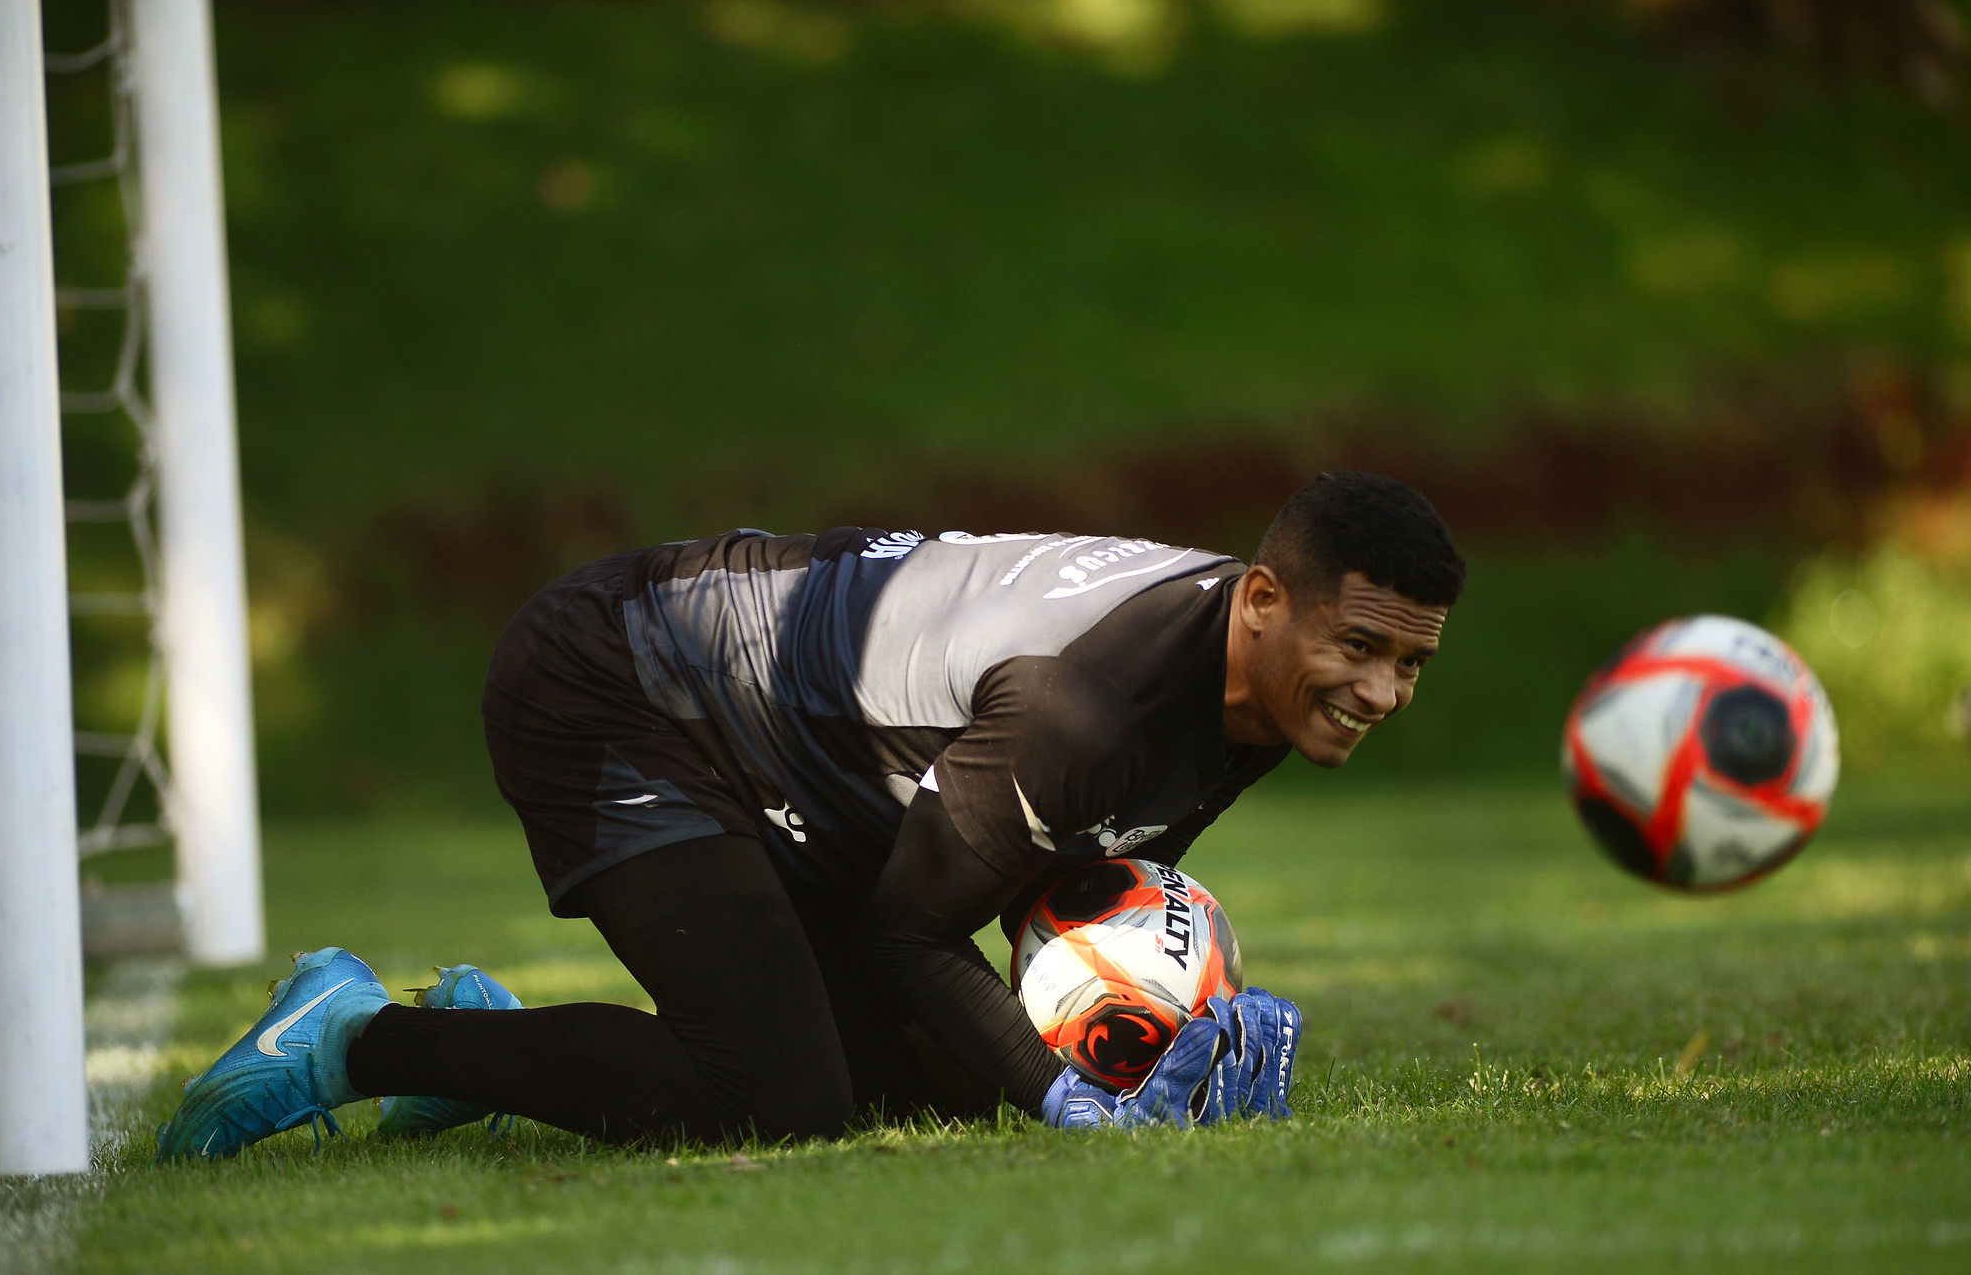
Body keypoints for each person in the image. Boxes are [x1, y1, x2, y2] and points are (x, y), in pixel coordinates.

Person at [155, 471, 1464, 1161]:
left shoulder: (1253, 693)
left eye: (1410, 663)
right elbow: (912, 932)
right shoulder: (1092, 706)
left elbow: (1060, 892)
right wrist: (1075, 1099)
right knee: (778, 1101)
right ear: (1261, 601)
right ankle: (359, 1039)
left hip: (813, 772)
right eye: (1359, 647)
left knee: (944, 1084)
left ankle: (503, 1045)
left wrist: (1152, 1017)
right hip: (633, 689)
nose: (1380, 693)